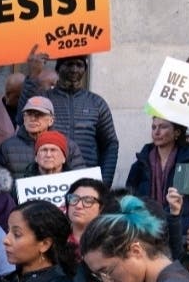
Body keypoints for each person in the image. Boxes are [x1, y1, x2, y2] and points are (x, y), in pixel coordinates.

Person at [21, 53, 119, 185]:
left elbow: (110, 144)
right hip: (48, 180)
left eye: (79, 65)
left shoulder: (97, 103)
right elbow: (21, 119)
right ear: (58, 68)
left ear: (85, 69)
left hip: (86, 180)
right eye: (69, 64)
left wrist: (104, 182)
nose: (74, 69)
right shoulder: (45, 98)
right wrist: (33, 76)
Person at [127, 117, 189, 232]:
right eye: (154, 127)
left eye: (163, 127)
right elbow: (129, 196)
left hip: (182, 227)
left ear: (177, 132)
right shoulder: (141, 161)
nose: (157, 132)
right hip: (146, 228)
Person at [0, 95, 85, 181]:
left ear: (51, 120)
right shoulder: (7, 147)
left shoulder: (68, 146)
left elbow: (80, 180)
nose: (32, 119)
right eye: (28, 114)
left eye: (38, 114)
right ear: (23, 118)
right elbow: (0, 182)